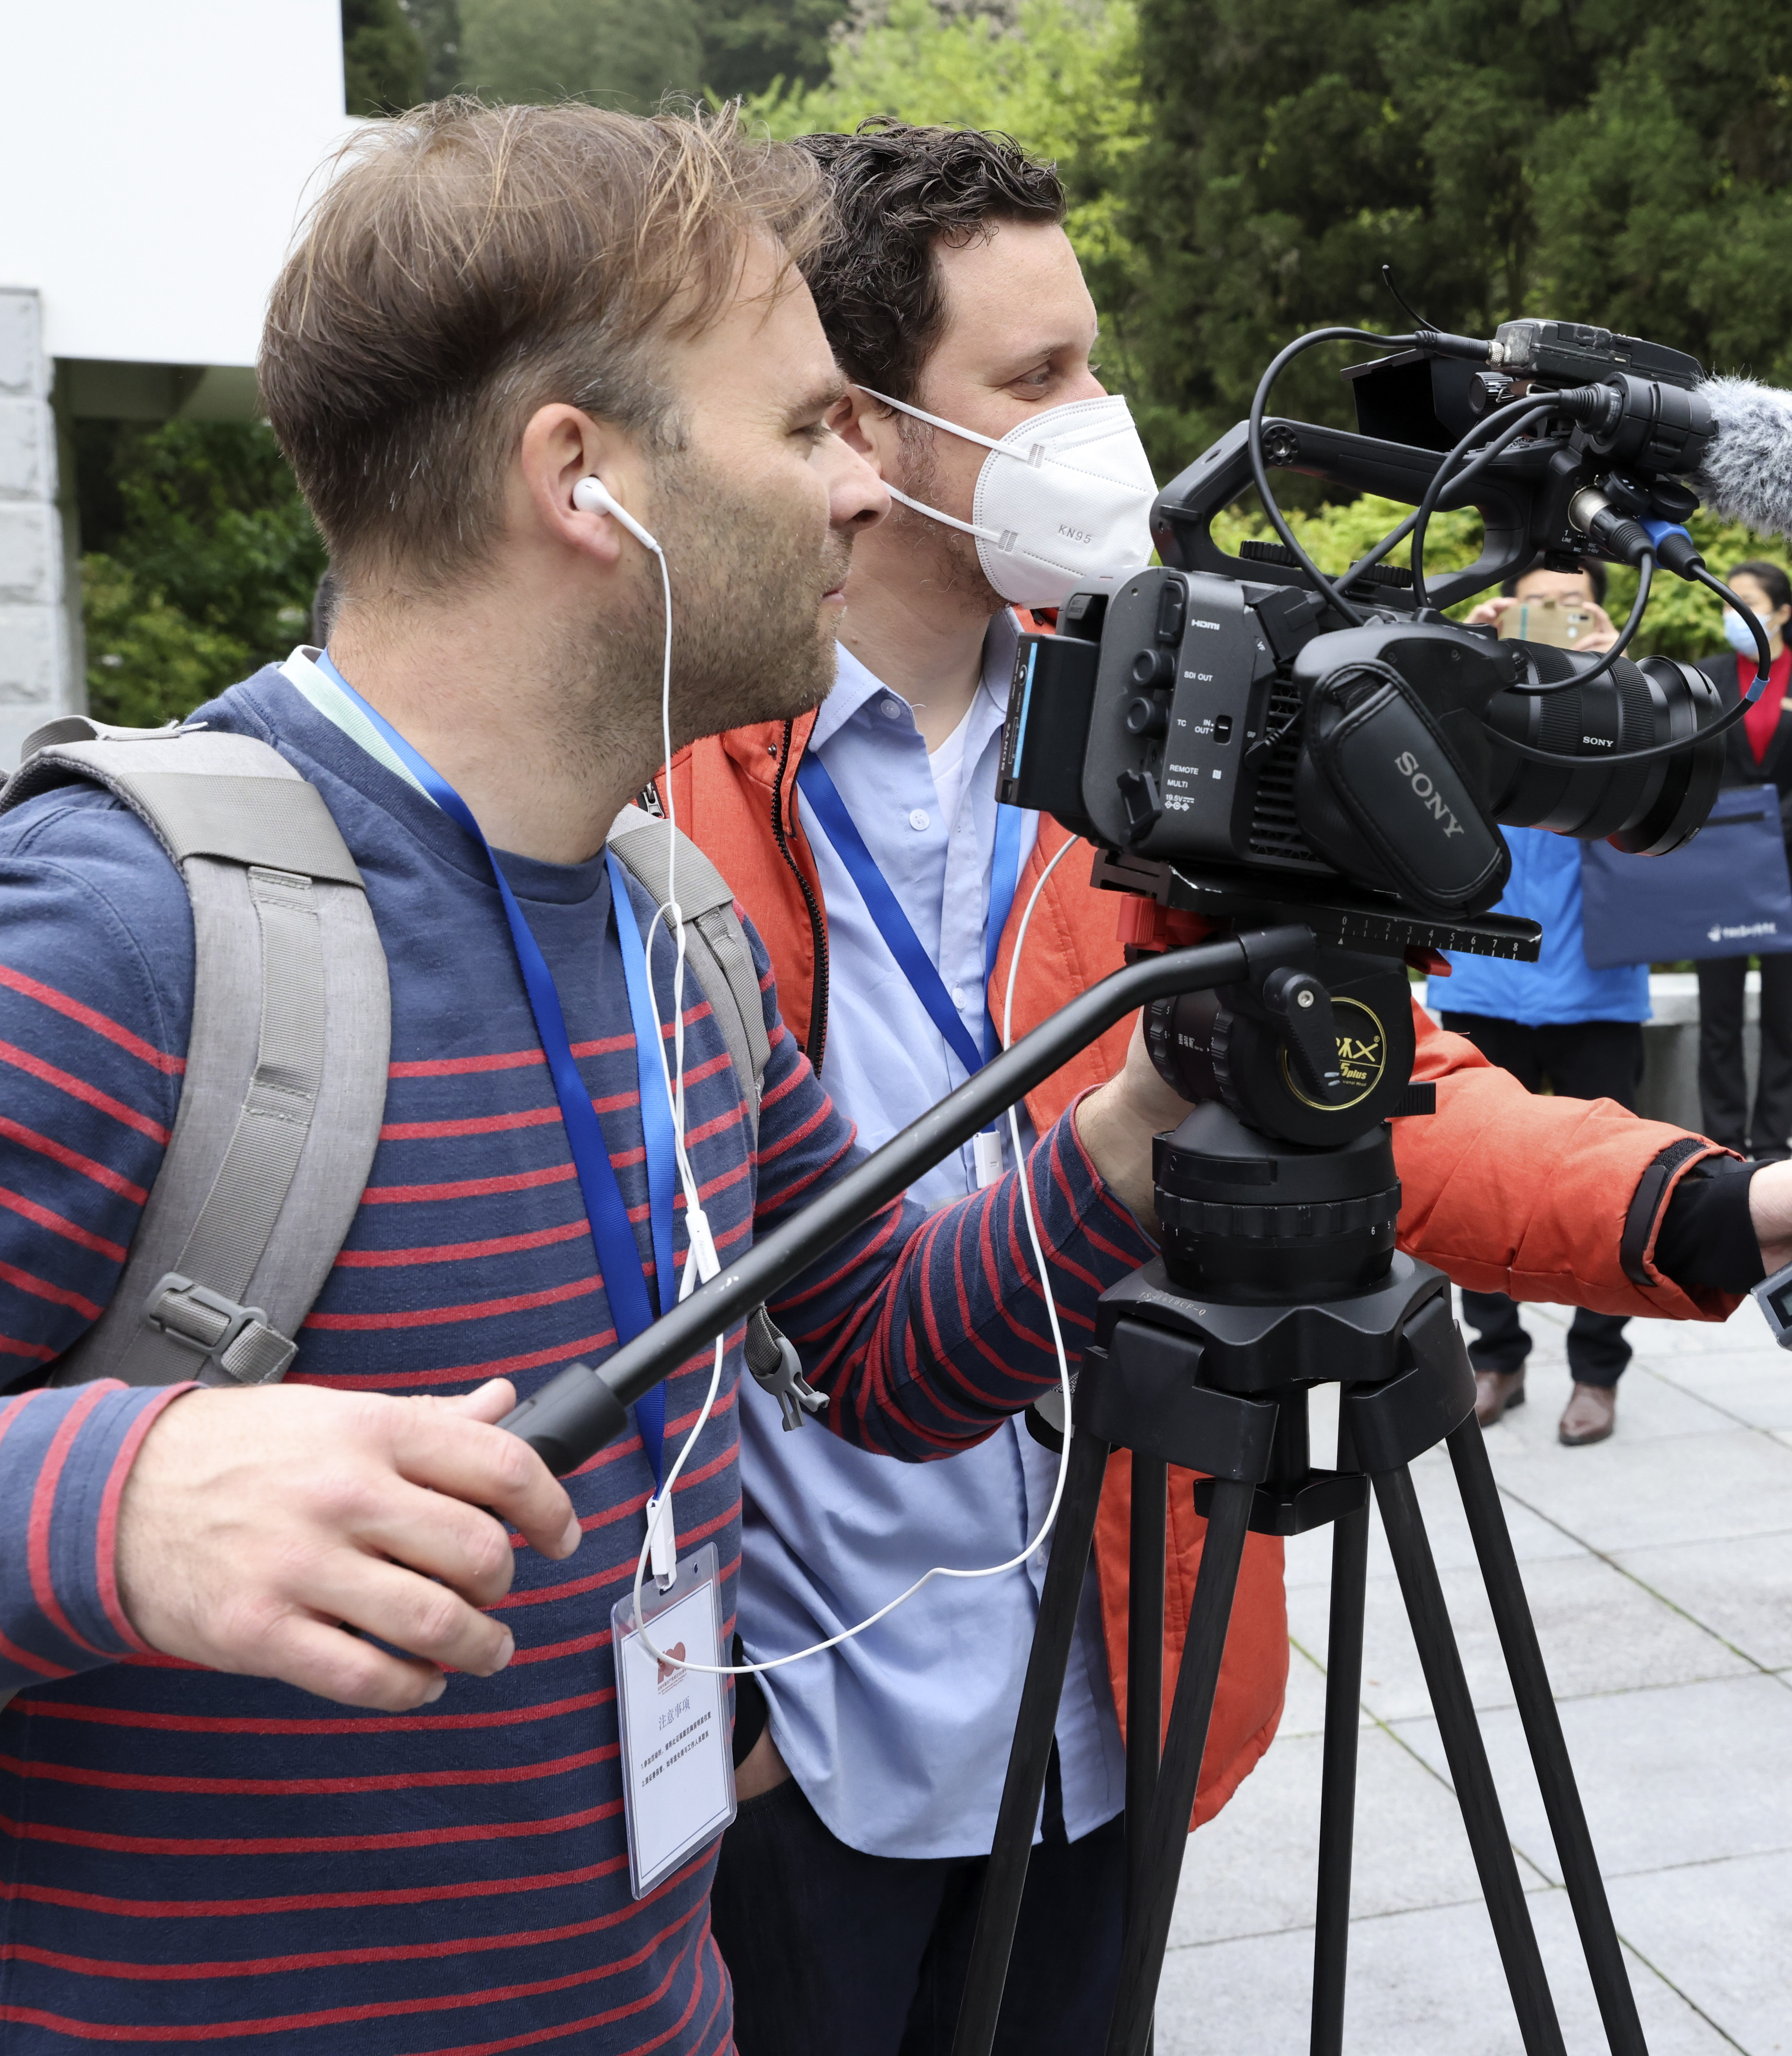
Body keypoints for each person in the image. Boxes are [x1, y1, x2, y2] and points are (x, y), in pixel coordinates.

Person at [662, 121, 1792, 2053]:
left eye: (1093, 360)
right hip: (787, 1731)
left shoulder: (1175, 712)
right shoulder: (676, 753)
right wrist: (701, 1682)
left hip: (1105, 1671)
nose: (1101, 421)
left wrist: (1707, 1204)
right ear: (857, 423)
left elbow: (1386, 1081)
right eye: (1034, 381)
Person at [0, 98, 1214, 2053]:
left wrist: (1150, 1111)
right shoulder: (131, 929)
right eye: (813, 424)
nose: (861, 488)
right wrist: (105, 1500)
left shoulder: (662, 921)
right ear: (587, 477)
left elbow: (885, 1342)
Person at [1442, 565, 1650, 1447]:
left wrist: (1620, 674)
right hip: (1484, 974)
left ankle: (1598, 1369)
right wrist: (1464, 650)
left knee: (1613, 1185)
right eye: (1534, 603)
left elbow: (1661, 806)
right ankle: (1495, 1354)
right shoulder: (1472, 681)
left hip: (1596, 978)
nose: (1550, 622)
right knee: (1472, 1182)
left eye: (1568, 606)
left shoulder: (1627, 690)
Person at [1693, 559, 1792, 1161]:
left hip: (1789, 867)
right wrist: (1732, 838)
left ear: (1782, 612)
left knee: (1783, 1012)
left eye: (1747, 600)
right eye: (1729, 600)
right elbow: (1695, 764)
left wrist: (1769, 834)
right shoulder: (1706, 675)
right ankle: (1724, 1139)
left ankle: (1774, 1142)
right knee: (1719, 1014)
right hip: (1720, 868)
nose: (1734, 611)